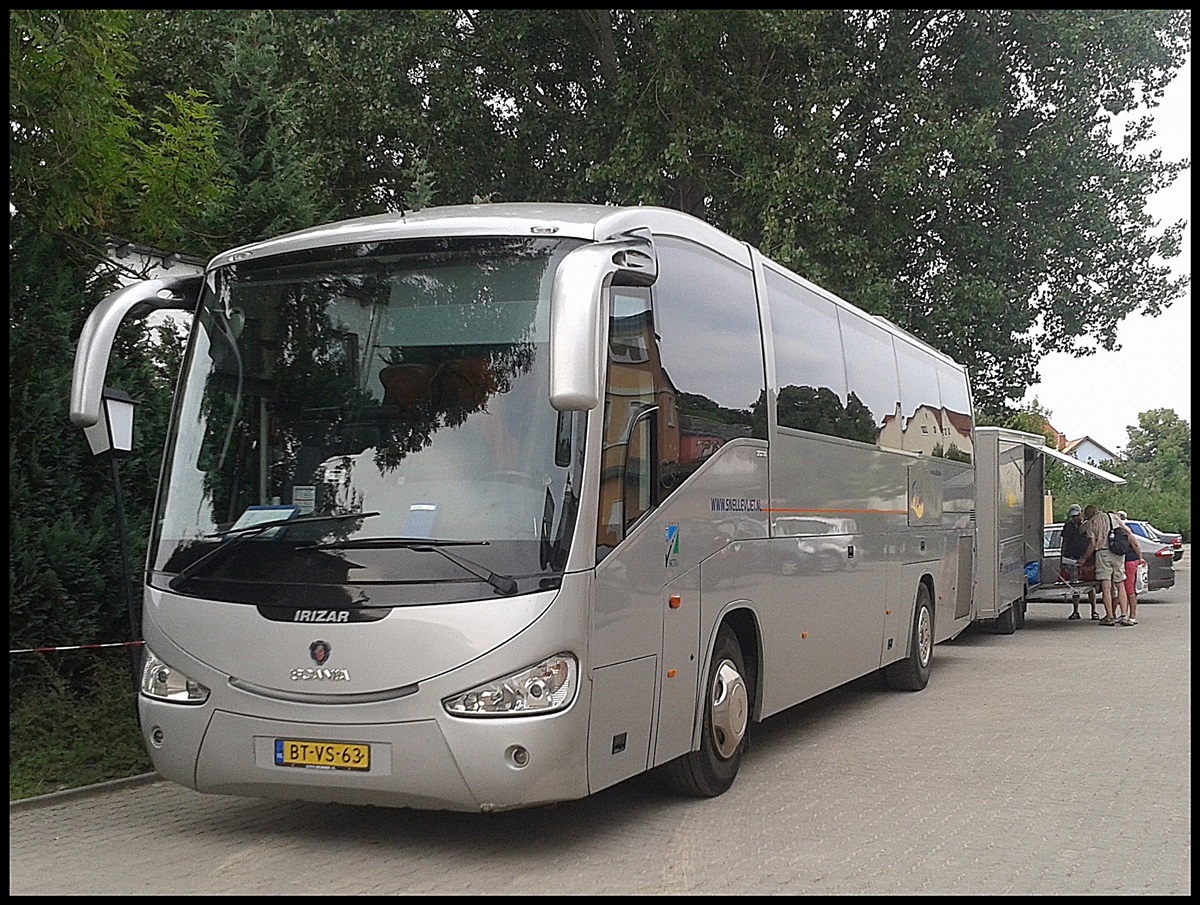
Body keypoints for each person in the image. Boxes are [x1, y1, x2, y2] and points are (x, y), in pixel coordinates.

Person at [1082, 504, 1133, 626]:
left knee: (1106, 586)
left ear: (1088, 515)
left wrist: (1084, 558)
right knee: (1120, 584)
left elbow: (1093, 544)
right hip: (1118, 553)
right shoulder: (1113, 517)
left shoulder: (1091, 523)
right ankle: (1124, 615)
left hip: (1103, 553)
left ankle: (1110, 616)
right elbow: (1128, 531)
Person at [1060, 503, 1099, 620]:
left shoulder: (1088, 525)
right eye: (1073, 516)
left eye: (1077, 515)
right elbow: (1065, 542)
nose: (1076, 518)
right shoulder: (1068, 526)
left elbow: (1093, 542)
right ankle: (1076, 611)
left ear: (1081, 514)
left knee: (1090, 585)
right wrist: (1062, 557)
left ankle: (1094, 611)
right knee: (1074, 585)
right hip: (1071, 558)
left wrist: (1089, 557)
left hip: (1087, 558)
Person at [1117, 510, 1140, 625]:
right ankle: (1124, 614)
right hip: (1126, 561)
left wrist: (1140, 558)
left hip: (1129, 561)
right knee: (1123, 589)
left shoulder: (1125, 531)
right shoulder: (1124, 531)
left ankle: (1132, 615)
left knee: (1128, 589)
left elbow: (1135, 544)